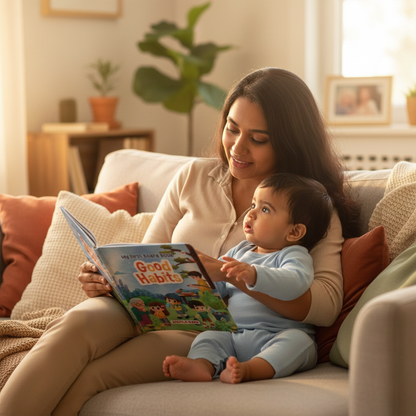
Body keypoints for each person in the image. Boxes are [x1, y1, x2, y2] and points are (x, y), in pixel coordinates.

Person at [0, 67, 360, 416]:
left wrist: (229, 274)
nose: (238, 147)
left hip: (204, 332)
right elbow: (146, 252)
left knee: (93, 376)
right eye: (232, 129)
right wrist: (110, 279)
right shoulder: (193, 177)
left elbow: (325, 306)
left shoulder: (310, 207)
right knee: (74, 327)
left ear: (290, 141)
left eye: (258, 139)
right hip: (145, 307)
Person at [163, 173, 333, 384]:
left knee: (299, 343)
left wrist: (255, 274)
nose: (250, 213)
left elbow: (295, 283)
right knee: (209, 337)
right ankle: (202, 364)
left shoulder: (293, 254)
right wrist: (193, 280)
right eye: (253, 204)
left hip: (277, 335)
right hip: (235, 335)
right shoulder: (239, 251)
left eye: (265, 209)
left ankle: (250, 370)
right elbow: (217, 288)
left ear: (295, 231)